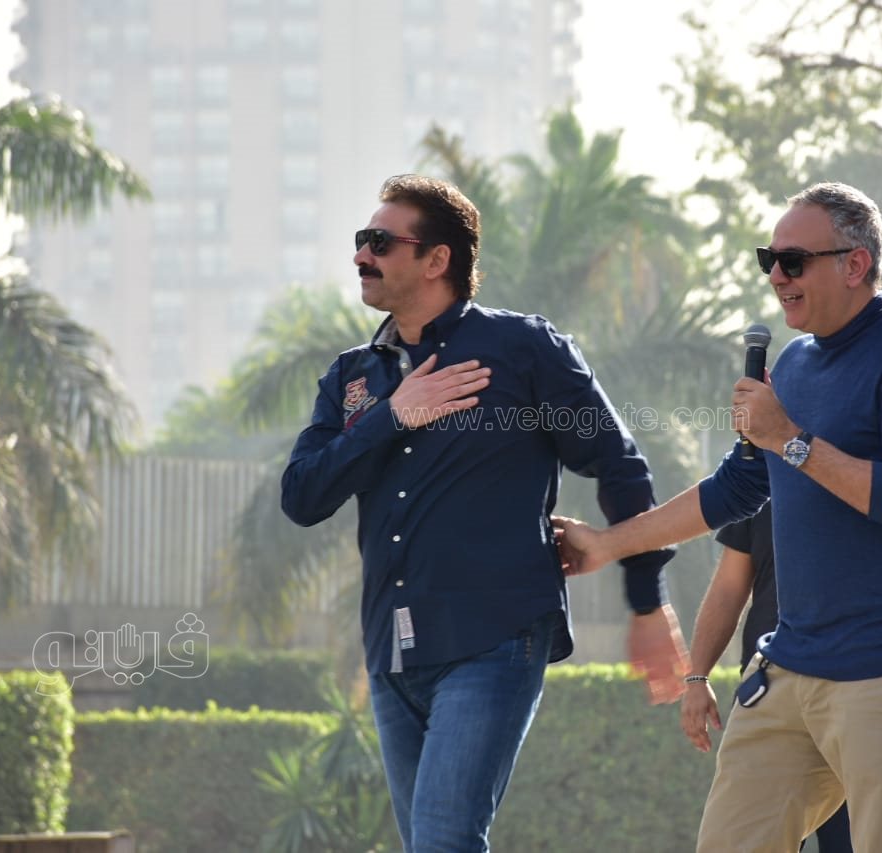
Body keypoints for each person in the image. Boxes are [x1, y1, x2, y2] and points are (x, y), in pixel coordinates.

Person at [280, 174, 688, 852]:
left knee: (443, 842)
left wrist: (648, 603)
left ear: (436, 259)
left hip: (495, 638)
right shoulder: (353, 377)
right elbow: (301, 496)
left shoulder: (524, 349)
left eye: (380, 242)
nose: (360, 255)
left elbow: (620, 465)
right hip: (391, 652)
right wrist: (392, 415)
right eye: (361, 240)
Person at [556, 181, 882, 853]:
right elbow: (732, 490)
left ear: (856, 264)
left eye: (793, 260)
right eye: (768, 259)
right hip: (788, 672)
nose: (776, 276)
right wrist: (607, 544)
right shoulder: (794, 366)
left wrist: (790, 440)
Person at [681, 500, 853, 852]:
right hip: (771, 693)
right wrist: (697, 677)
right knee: (747, 840)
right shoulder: (762, 476)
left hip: (866, 690)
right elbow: (729, 588)